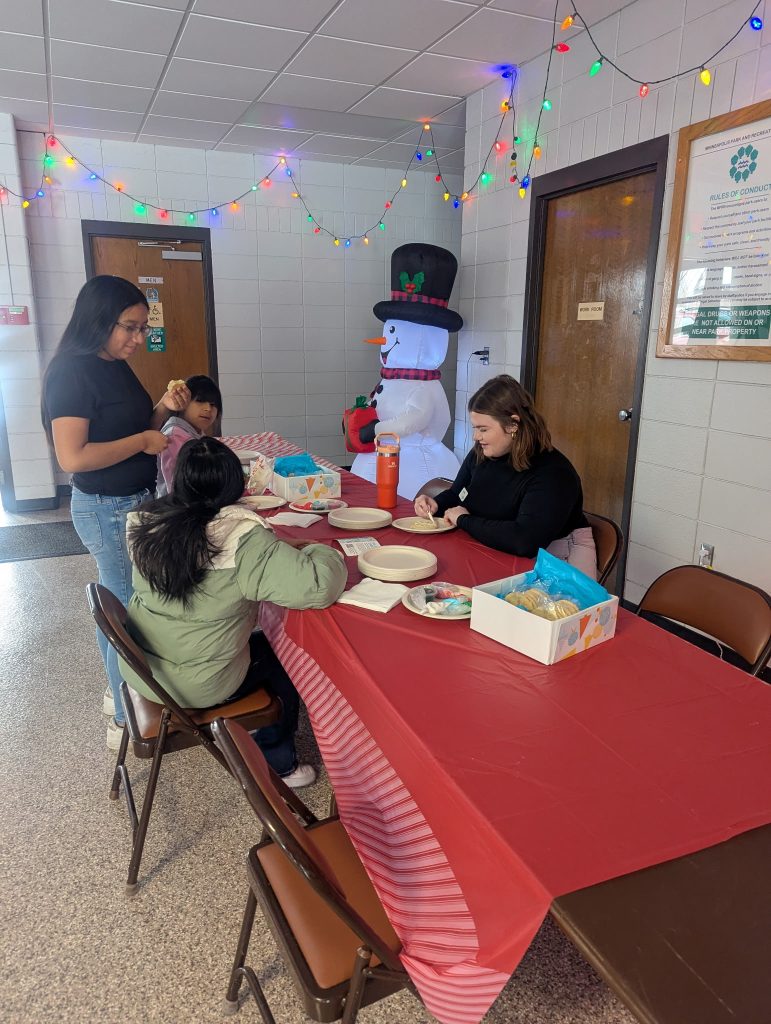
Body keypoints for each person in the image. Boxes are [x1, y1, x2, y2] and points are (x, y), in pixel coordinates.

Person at [121, 437, 347, 788]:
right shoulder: (241, 537)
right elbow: (318, 587)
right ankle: (280, 765)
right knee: (285, 657)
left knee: (254, 639)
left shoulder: (148, 522)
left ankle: (268, 746)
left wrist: (271, 549)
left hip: (145, 668)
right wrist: (323, 550)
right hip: (197, 685)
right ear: (234, 485)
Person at [42, 275, 190, 750]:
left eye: (143, 328)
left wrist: (161, 410)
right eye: (130, 327)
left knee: (122, 608)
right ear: (99, 321)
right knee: (126, 616)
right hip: (106, 508)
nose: (138, 338)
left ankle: (117, 695)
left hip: (132, 500)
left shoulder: (113, 363)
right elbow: (73, 456)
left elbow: (131, 428)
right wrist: (144, 441)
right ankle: (127, 721)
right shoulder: (72, 372)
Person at [414, 375, 597, 576]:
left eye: (483, 429)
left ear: (513, 425)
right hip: (498, 548)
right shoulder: (481, 453)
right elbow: (458, 494)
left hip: (557, 559)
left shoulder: (553, 473)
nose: (476, 437)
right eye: (475, 428)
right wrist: (436, 504)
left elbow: (524, 541)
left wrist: (464, 520)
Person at [157, 374, 221, 496]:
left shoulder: (196, 431)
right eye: (200, 401)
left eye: (213, 404)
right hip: (177, 503)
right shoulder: (174, 436)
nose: (208, 408)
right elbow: (175, 486)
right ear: (183, 401)